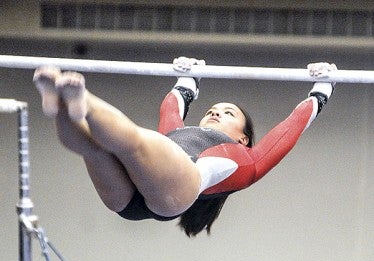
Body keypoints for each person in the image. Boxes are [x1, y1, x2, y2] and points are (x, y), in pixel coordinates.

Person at [33, 57, 337, 237]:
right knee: (94, 148)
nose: (216, 112)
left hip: (175, 193)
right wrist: (189, 78)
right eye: (213, 109)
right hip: (141, 197)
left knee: (134, 143)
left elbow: (290, 128)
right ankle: (58, 103)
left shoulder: (249, 160)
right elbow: (173, 105)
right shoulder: (178, 133)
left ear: (244, 137)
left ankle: (80, 98)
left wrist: (322, 90)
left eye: (228, 113)